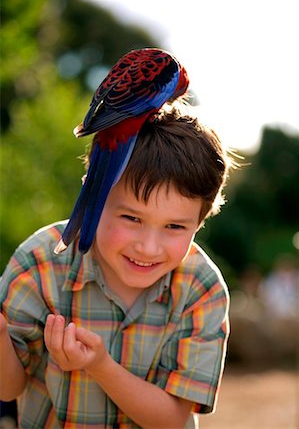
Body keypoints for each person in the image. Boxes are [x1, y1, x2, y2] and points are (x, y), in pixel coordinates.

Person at [0, 102, 235, 428]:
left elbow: (172, 420)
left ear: (201, 220)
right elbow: (9, 388)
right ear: (92, 196)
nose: (148, 247)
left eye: (174, 227)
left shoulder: (200, 288)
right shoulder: (40, 262)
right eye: (131, 218)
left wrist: (100, 366)